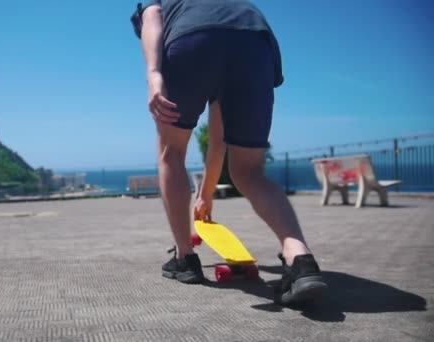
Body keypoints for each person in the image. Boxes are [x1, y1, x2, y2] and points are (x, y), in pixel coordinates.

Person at [134, 0, 328, 305]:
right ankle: (299, 259)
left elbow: (152, 16)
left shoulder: (170, 13)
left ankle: (185, 258)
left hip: (192, 41)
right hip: (254, 39)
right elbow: (217, 138)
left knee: (171, 153)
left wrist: (154, 72)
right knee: (249, 172)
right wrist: (205, 195)